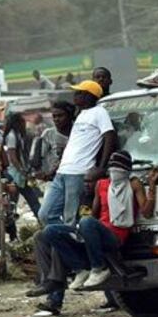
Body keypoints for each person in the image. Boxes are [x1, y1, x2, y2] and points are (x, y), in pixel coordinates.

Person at [26, 151, 158, 312]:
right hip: (95, 231)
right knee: (48, 232)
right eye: (112, 169)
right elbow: (94, 215)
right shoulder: (102, 185)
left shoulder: (134, 184)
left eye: (119, 169)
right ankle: (75, 271)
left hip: (115, 236)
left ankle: (99, 268)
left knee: (86, 222)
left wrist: (152, 187)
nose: (115, 173)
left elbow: (146, 212)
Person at [37, 81, 117, 227]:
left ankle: (73, 246)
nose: (75, 95)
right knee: (45, 214)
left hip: (79, 172)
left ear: (88, 96)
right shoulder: (81, 115)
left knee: (70, 219)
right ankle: (66, 243)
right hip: (63, 172)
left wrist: (101, 167)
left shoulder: (99, 112)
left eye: (79, 92)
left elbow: (109, 136)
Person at [2, 113, 42, 218]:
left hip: (18, 174)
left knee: (27, 200)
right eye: (23, 122)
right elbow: (12, 157)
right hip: (14, 174)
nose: (24, 124)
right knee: (19, 202)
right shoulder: (12, 136)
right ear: (18, 123)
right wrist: (22, 170)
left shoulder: (17, 134)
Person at [33, 102, 74, 180]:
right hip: (53, 178)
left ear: (69, 116)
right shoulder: (48, 134)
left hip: (74, 174)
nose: (56, 119)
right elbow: (38, 157)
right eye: (54, 116)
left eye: (60, 116)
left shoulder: (78, 132)